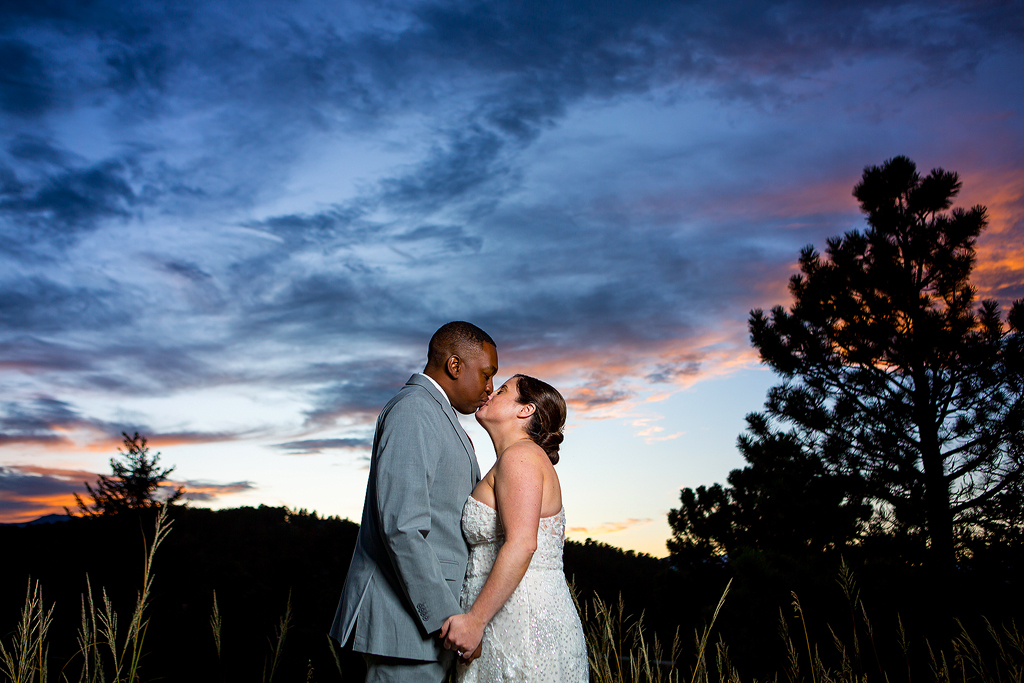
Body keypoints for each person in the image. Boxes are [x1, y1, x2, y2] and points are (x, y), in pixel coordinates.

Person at [330, 321, 499, 683]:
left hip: (420, 631)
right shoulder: (414, 409)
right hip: (404, 627)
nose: (490, 387)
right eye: (487, 374)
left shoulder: (436, 413)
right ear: (455, 366)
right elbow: (402, 527)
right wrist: (446, 619)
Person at [440, 374, 589, 683]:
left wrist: (475, 621)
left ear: (526, 410)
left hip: (523, 626)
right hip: (510, 621)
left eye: (503, 390)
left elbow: (522, 544)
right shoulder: (517, 458)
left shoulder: (520, 456)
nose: (491, 392)